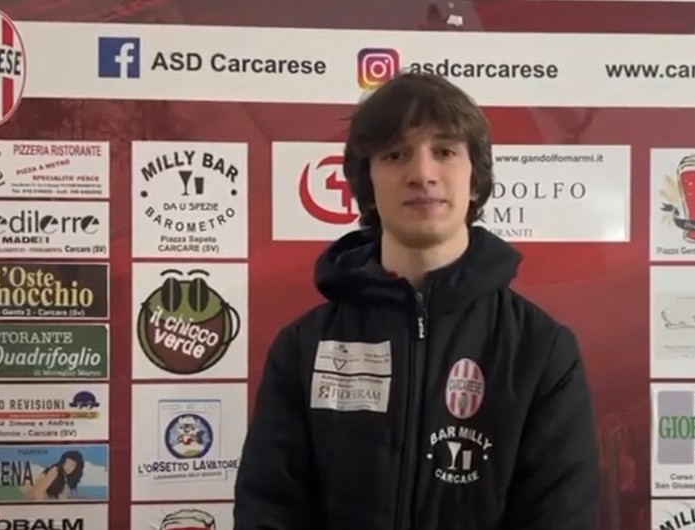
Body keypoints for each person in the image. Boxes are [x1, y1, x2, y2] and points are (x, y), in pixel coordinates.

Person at [233, 71, 599, 530]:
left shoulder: (542, 350)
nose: (422, 174)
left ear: (475, 179)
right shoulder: (303, 347)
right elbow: (269, 513)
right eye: (395, 154)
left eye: (444, 151)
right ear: (367, 183)